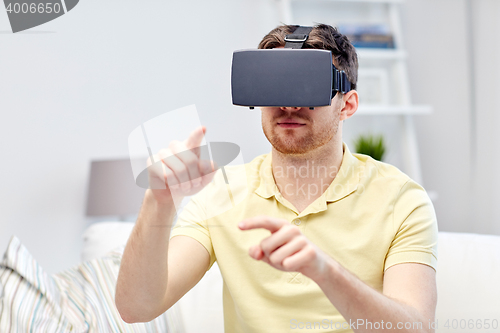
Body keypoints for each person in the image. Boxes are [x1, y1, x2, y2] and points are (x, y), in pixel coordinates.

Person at [116, 24, 438, 333]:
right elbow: (136, 308)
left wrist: (326, 273)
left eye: (306, 86)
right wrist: (158, 202)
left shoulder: (401, 200)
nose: (288, 104)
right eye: (275, 85)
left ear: (347, 104)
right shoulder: (221, 193)